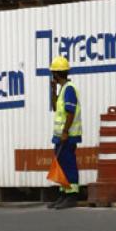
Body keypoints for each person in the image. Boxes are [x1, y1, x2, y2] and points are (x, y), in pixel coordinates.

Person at [45, 51, 83, 205]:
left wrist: (66, 132)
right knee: (61, 163)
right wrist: (53, 91)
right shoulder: (62, 89)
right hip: (61, 135)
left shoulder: (69, 89)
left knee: (68, 163)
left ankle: (72, 195)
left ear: (56, 74)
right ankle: (64, 192)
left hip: (68, 135)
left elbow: (70, 112)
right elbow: (55, 108)